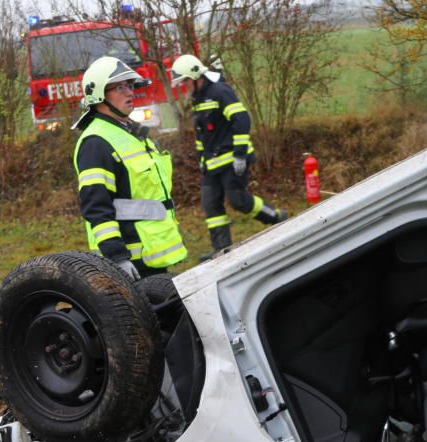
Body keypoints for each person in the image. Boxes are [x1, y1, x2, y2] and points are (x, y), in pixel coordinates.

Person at [72, 56, 186, 278]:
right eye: (120, 87)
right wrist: (117, 257)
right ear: (99, 94)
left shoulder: (130, 132)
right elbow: (96, 205)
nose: (130, 92)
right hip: (131, 260)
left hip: (151, 251)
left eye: (130, 86)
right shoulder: (95, 142)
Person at [169, 54, 288, 261]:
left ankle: (276, 217)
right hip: (212, 164)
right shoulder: (198, 99)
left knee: (238, 201)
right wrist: (201, 159)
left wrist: (240, 155)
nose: (184, 86)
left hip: (232, 160)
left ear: (196, 76)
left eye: (186, 81)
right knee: (210, 204)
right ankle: (222, 250)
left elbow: (241, 120)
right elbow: (202, 134)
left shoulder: (220, 92)